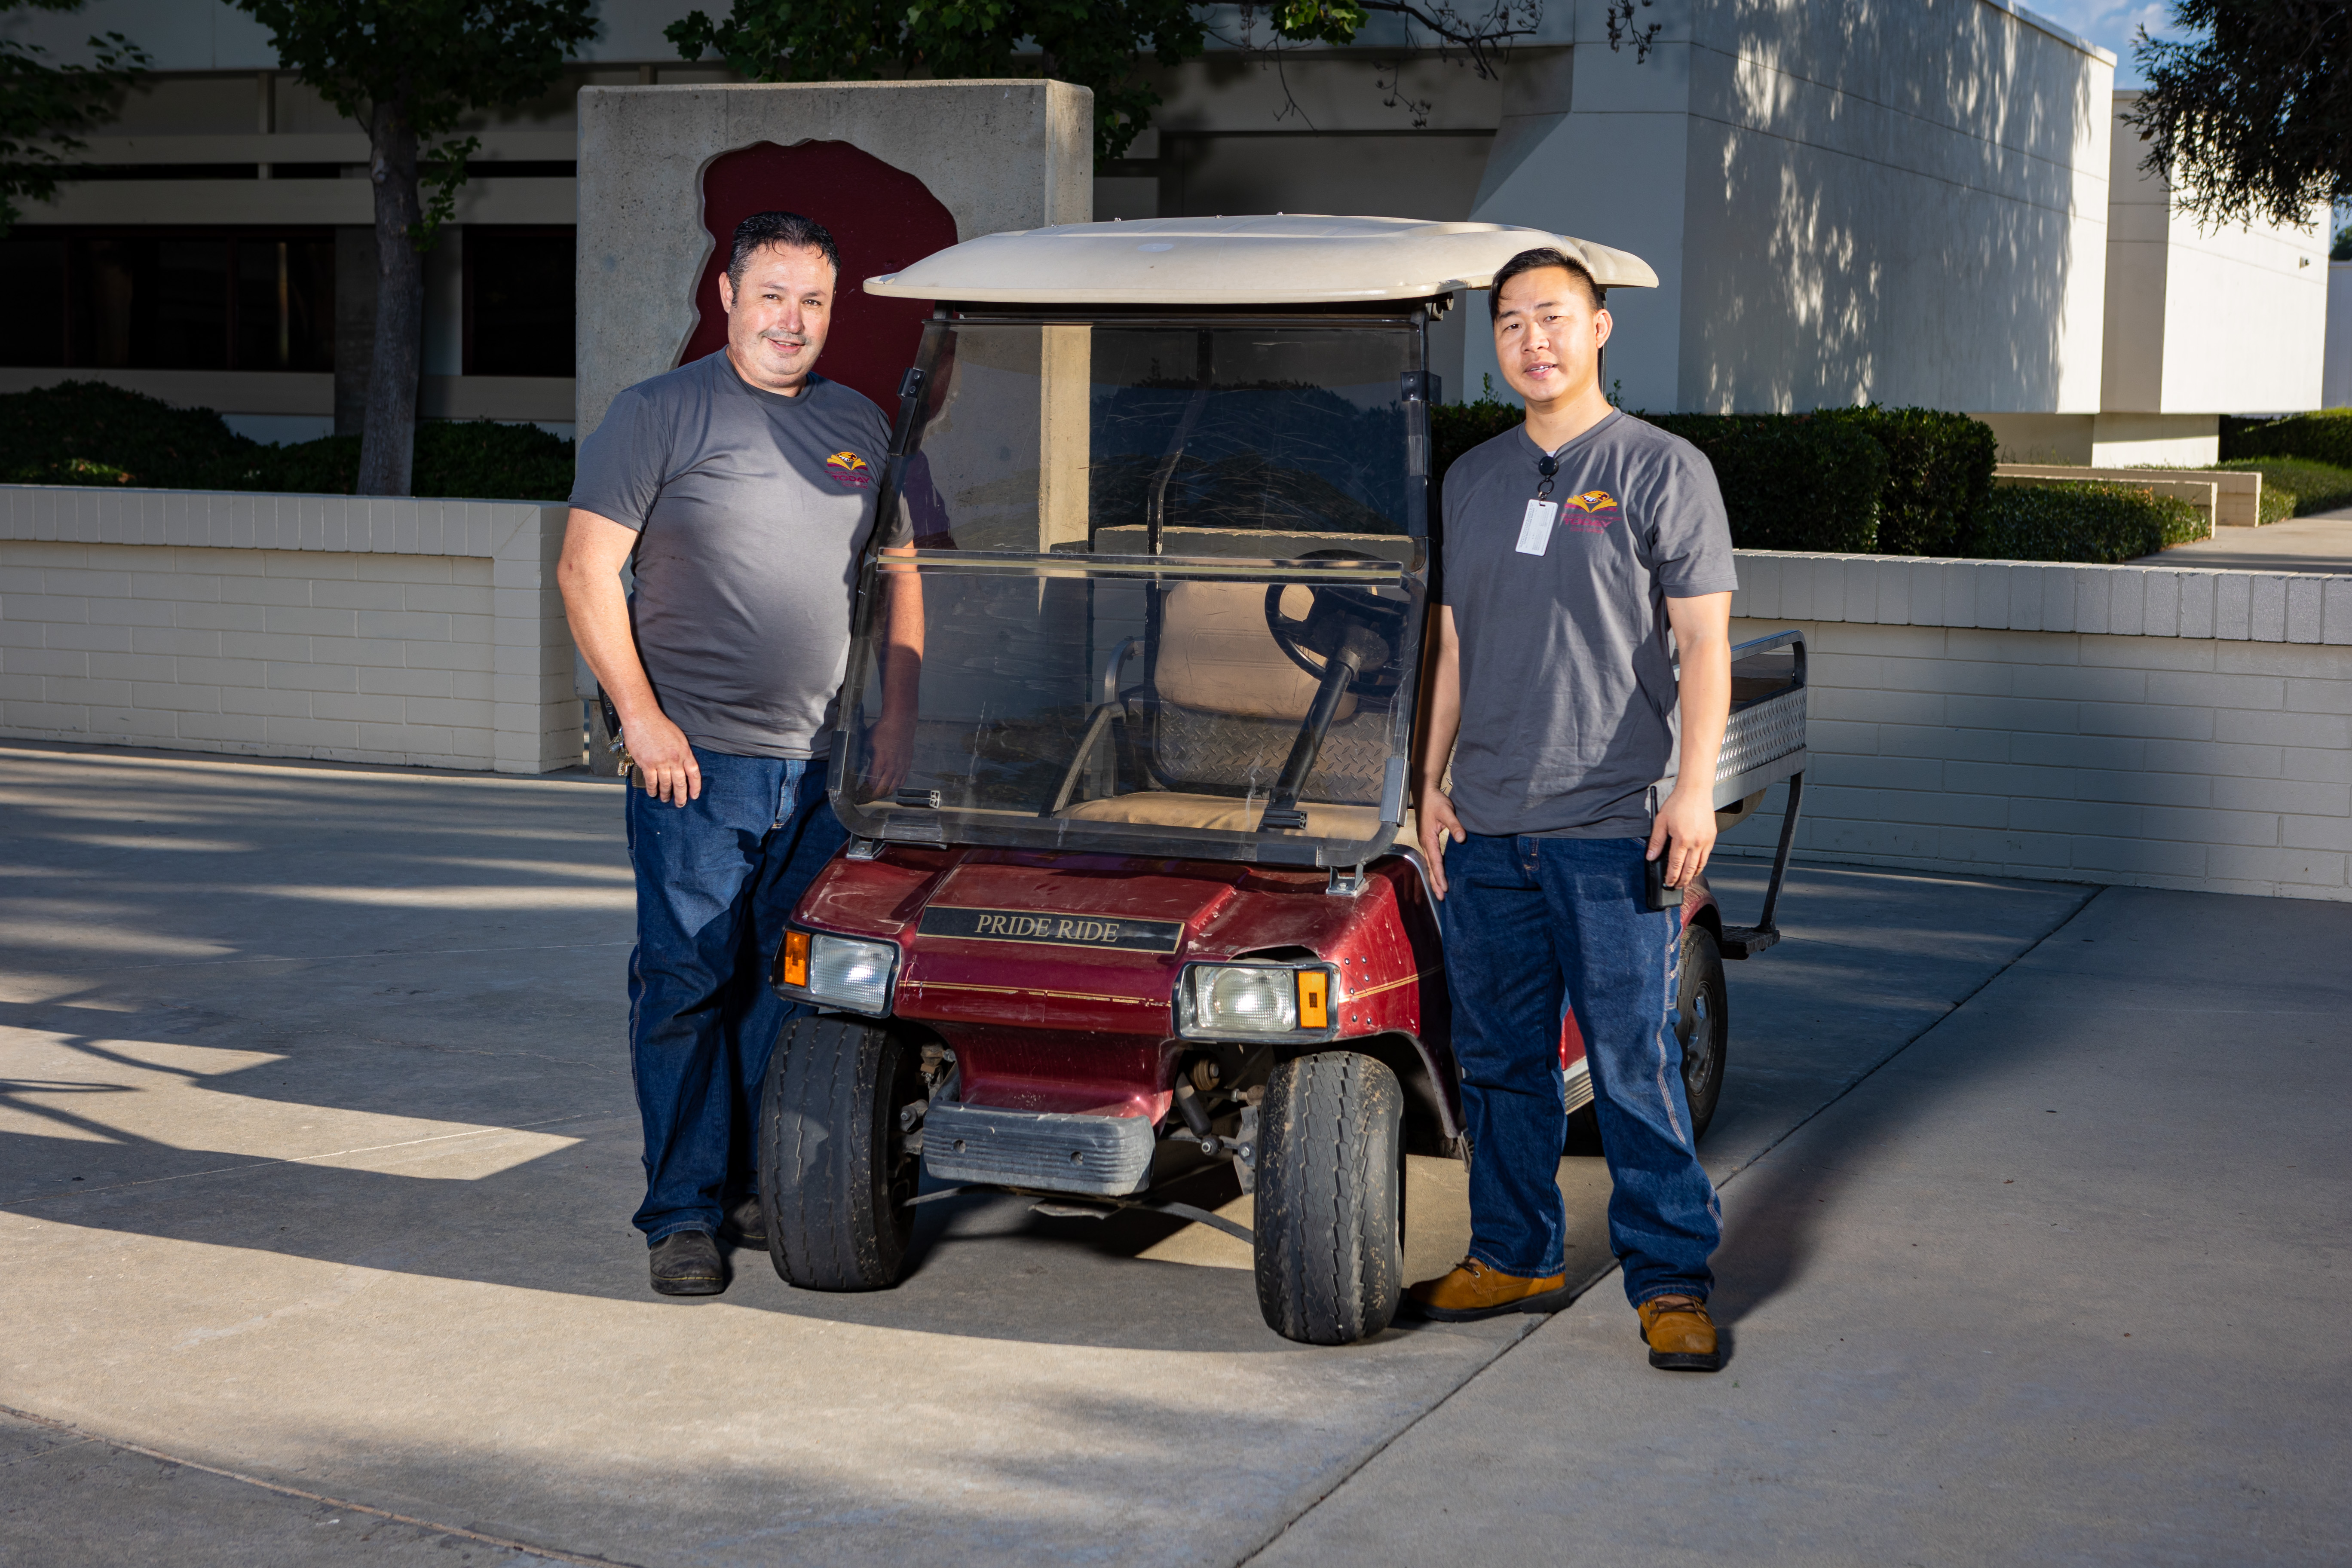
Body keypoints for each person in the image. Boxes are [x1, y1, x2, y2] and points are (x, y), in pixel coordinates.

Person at [559, 211, 922, 1298]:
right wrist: (641, 718)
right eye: (772, 294)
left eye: (813, 301)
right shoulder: (658, 413)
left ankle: (757, 1184)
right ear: (725, 294)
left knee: (789, 985)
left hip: (823, 772)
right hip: (696, 765)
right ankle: (681, 1214)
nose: (792, 320)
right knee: (683, 982)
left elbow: (903, 576)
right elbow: (586, 573)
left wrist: (895, 725)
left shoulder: (857, 424)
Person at [1407, 247, 1737, 1372]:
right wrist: (1426, 782)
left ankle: (1673, 1279)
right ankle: (1514, 1252)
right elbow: (1452, 644)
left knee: (1632, 1063)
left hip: (1611, 829)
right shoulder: (1473, 478)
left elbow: (1704, 643)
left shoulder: (1663, 468)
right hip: (1488, 830)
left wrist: (1694, 788)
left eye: (1553, 317)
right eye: (1510, 322)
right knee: (1499, 1065)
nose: (1532, 340)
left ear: (1601, 329)